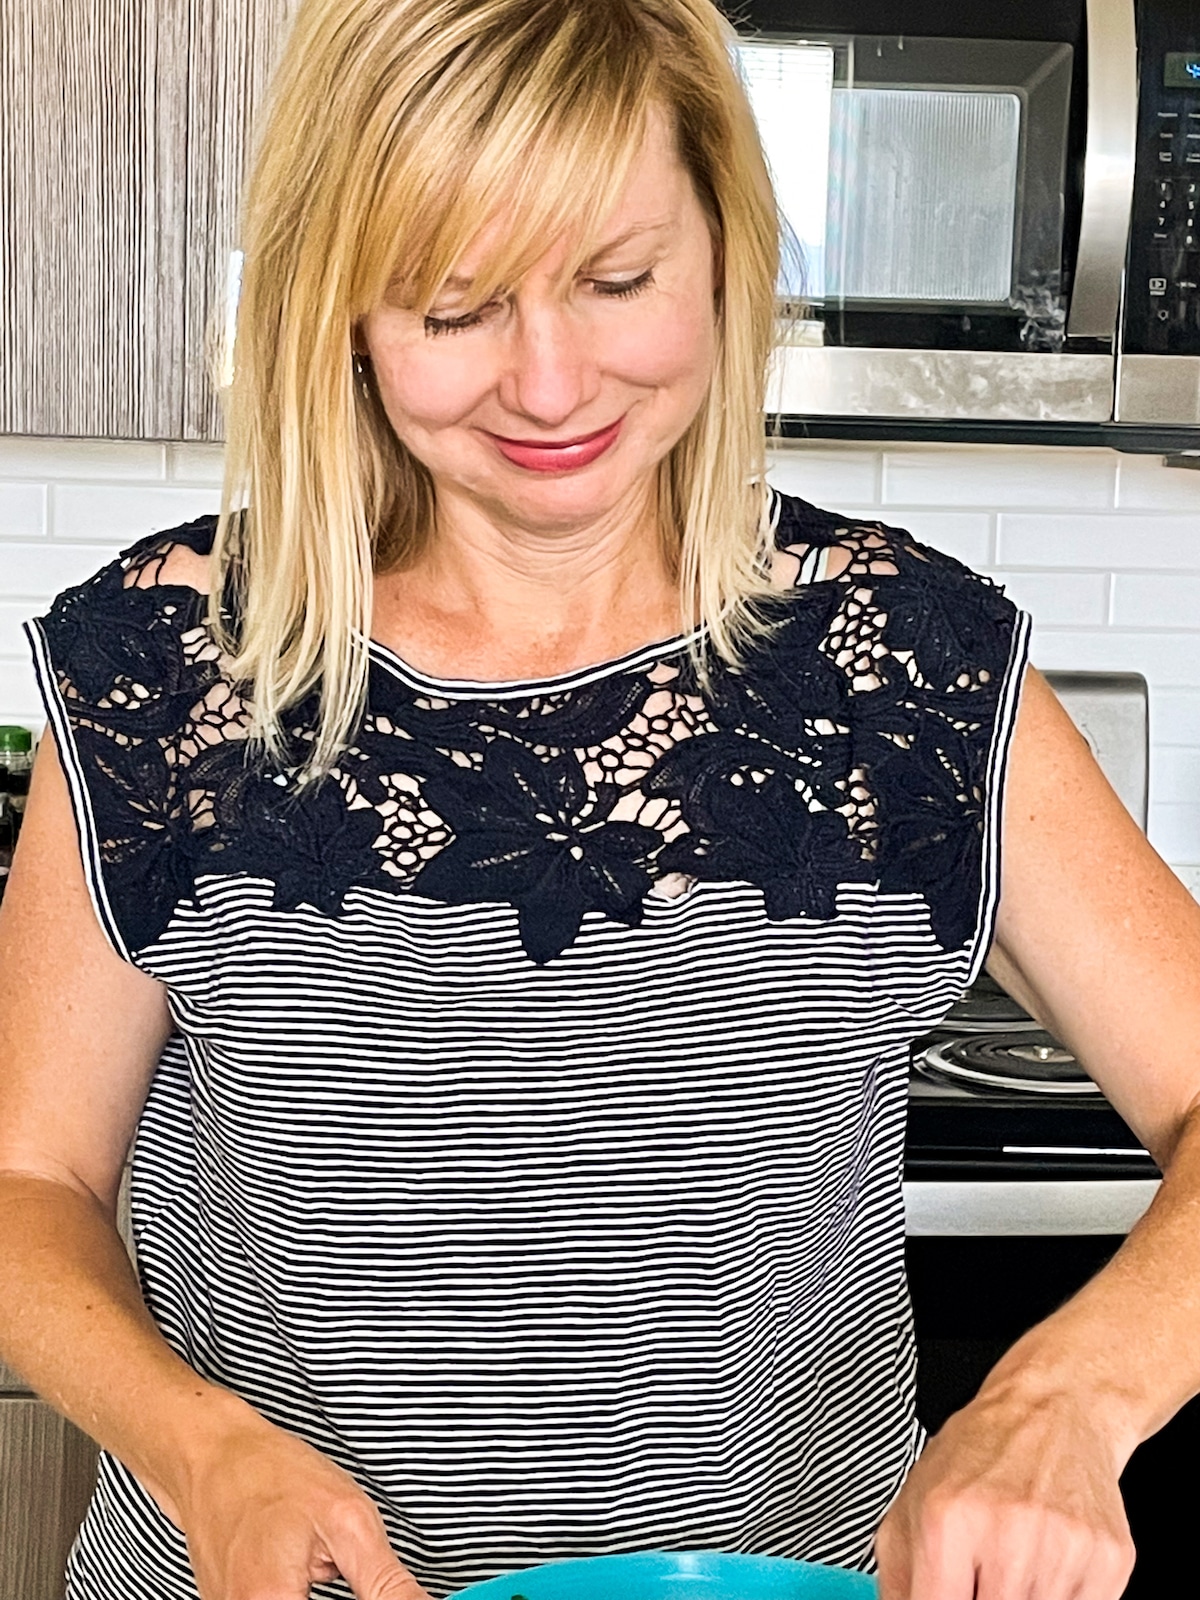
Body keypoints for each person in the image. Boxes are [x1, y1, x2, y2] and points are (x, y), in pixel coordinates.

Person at [1, 1, 1199, 1597]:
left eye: (616, 281)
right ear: (341, 309)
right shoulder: (164, 666)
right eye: (453, 306)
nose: (550, 381)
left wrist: (1067, 1399)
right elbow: (31, 1183)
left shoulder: (907, 665)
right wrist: (196, 1447)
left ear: (721, 253)